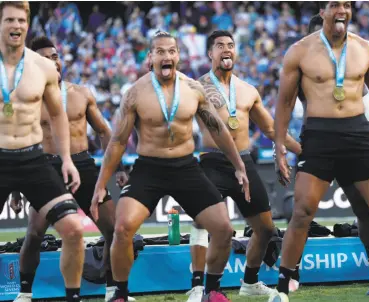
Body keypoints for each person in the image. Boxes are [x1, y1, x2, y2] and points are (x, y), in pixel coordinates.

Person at [270, 2, 369, 302]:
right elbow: (284, 102)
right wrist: (279, 146)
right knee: (302, 212)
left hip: (358, 133)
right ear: (322, 11)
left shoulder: (365, 48)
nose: (341, 9)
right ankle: (281, 290)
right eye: (334, 5)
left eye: (346, 4)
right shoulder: (300, 51)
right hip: (319, 135)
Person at [90, 31, 250, 302]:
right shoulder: (135, 93)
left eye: (171, 51)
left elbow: (218, 129)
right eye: (160, 52)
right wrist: (100, 183)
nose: (167, 56)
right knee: (121, 229)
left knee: (223, 229)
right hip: (149, 169)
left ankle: (212, 290)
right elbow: (117, 142)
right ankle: (120, 293)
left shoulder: (193, 89)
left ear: (178, 55)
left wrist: (239, 166)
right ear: (150, 57)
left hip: (186, 167)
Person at [10, 36, 133, 302]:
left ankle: (115, 291)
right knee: (34, 234)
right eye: (44, 58)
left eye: (54, 56)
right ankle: (24, 292)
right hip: (45, 167)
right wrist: (17, 190)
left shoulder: (82, 93)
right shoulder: (26, 99)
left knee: (113, 229)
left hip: (84, 165)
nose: (52, 62)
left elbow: (104, 131)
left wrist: (118, 167)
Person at [185, 30, 301, 302]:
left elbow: (272, 129)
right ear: (209, 54)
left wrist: (303, 151)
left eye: (230, 45)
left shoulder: (248, 90)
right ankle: (198, 286)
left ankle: (249, 282)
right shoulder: (196, 87)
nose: (226, 50)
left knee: (265, 228)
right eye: (220, 46)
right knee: (204, 223)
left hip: (245, 161)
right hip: (212, 162)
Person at [285, 13, 369, 295]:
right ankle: (290, 271)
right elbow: (287, 108)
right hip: (318, 144)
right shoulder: (300, 61)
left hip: (353, 141)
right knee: (302, 212)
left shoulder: (348, 60)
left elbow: (367, 102)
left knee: (365, 209)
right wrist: (289, 148)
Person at [0, 2, 84, 302]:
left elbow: (58, 115)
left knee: (74, 230)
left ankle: (72, 297)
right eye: (10, 19)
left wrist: (66, 160)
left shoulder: (43, 67)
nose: (16, 25)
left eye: (21, 20)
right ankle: (22, 293)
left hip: (34, 160)